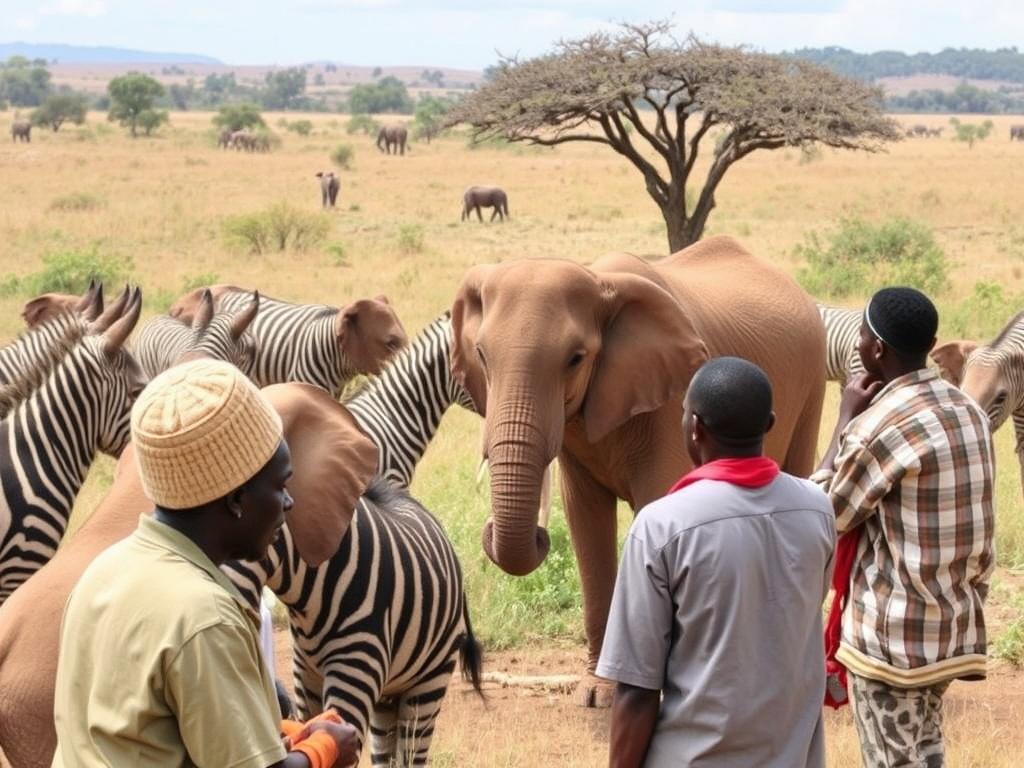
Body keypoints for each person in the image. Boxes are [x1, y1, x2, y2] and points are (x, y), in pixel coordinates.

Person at [51, 359, 359, 768]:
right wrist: (325, 749)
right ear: (236, 500)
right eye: (281, 485)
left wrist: (271, 724)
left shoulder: (104, 571)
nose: (289, 502)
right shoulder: (204, 616)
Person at [598, 356, 835, 768]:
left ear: (695, 428)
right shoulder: (816, 510)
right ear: (770, 425)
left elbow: (636, 689)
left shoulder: (662, 525)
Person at [813, 287, 995, 767]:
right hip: (951, 629)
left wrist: (844, 420)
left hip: (892, 640)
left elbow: (825, 517)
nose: (856, 346)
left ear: (876, 350)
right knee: (925, 751)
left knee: (893, 760)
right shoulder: (968, 411)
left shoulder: (882, 425)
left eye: (862, 336)